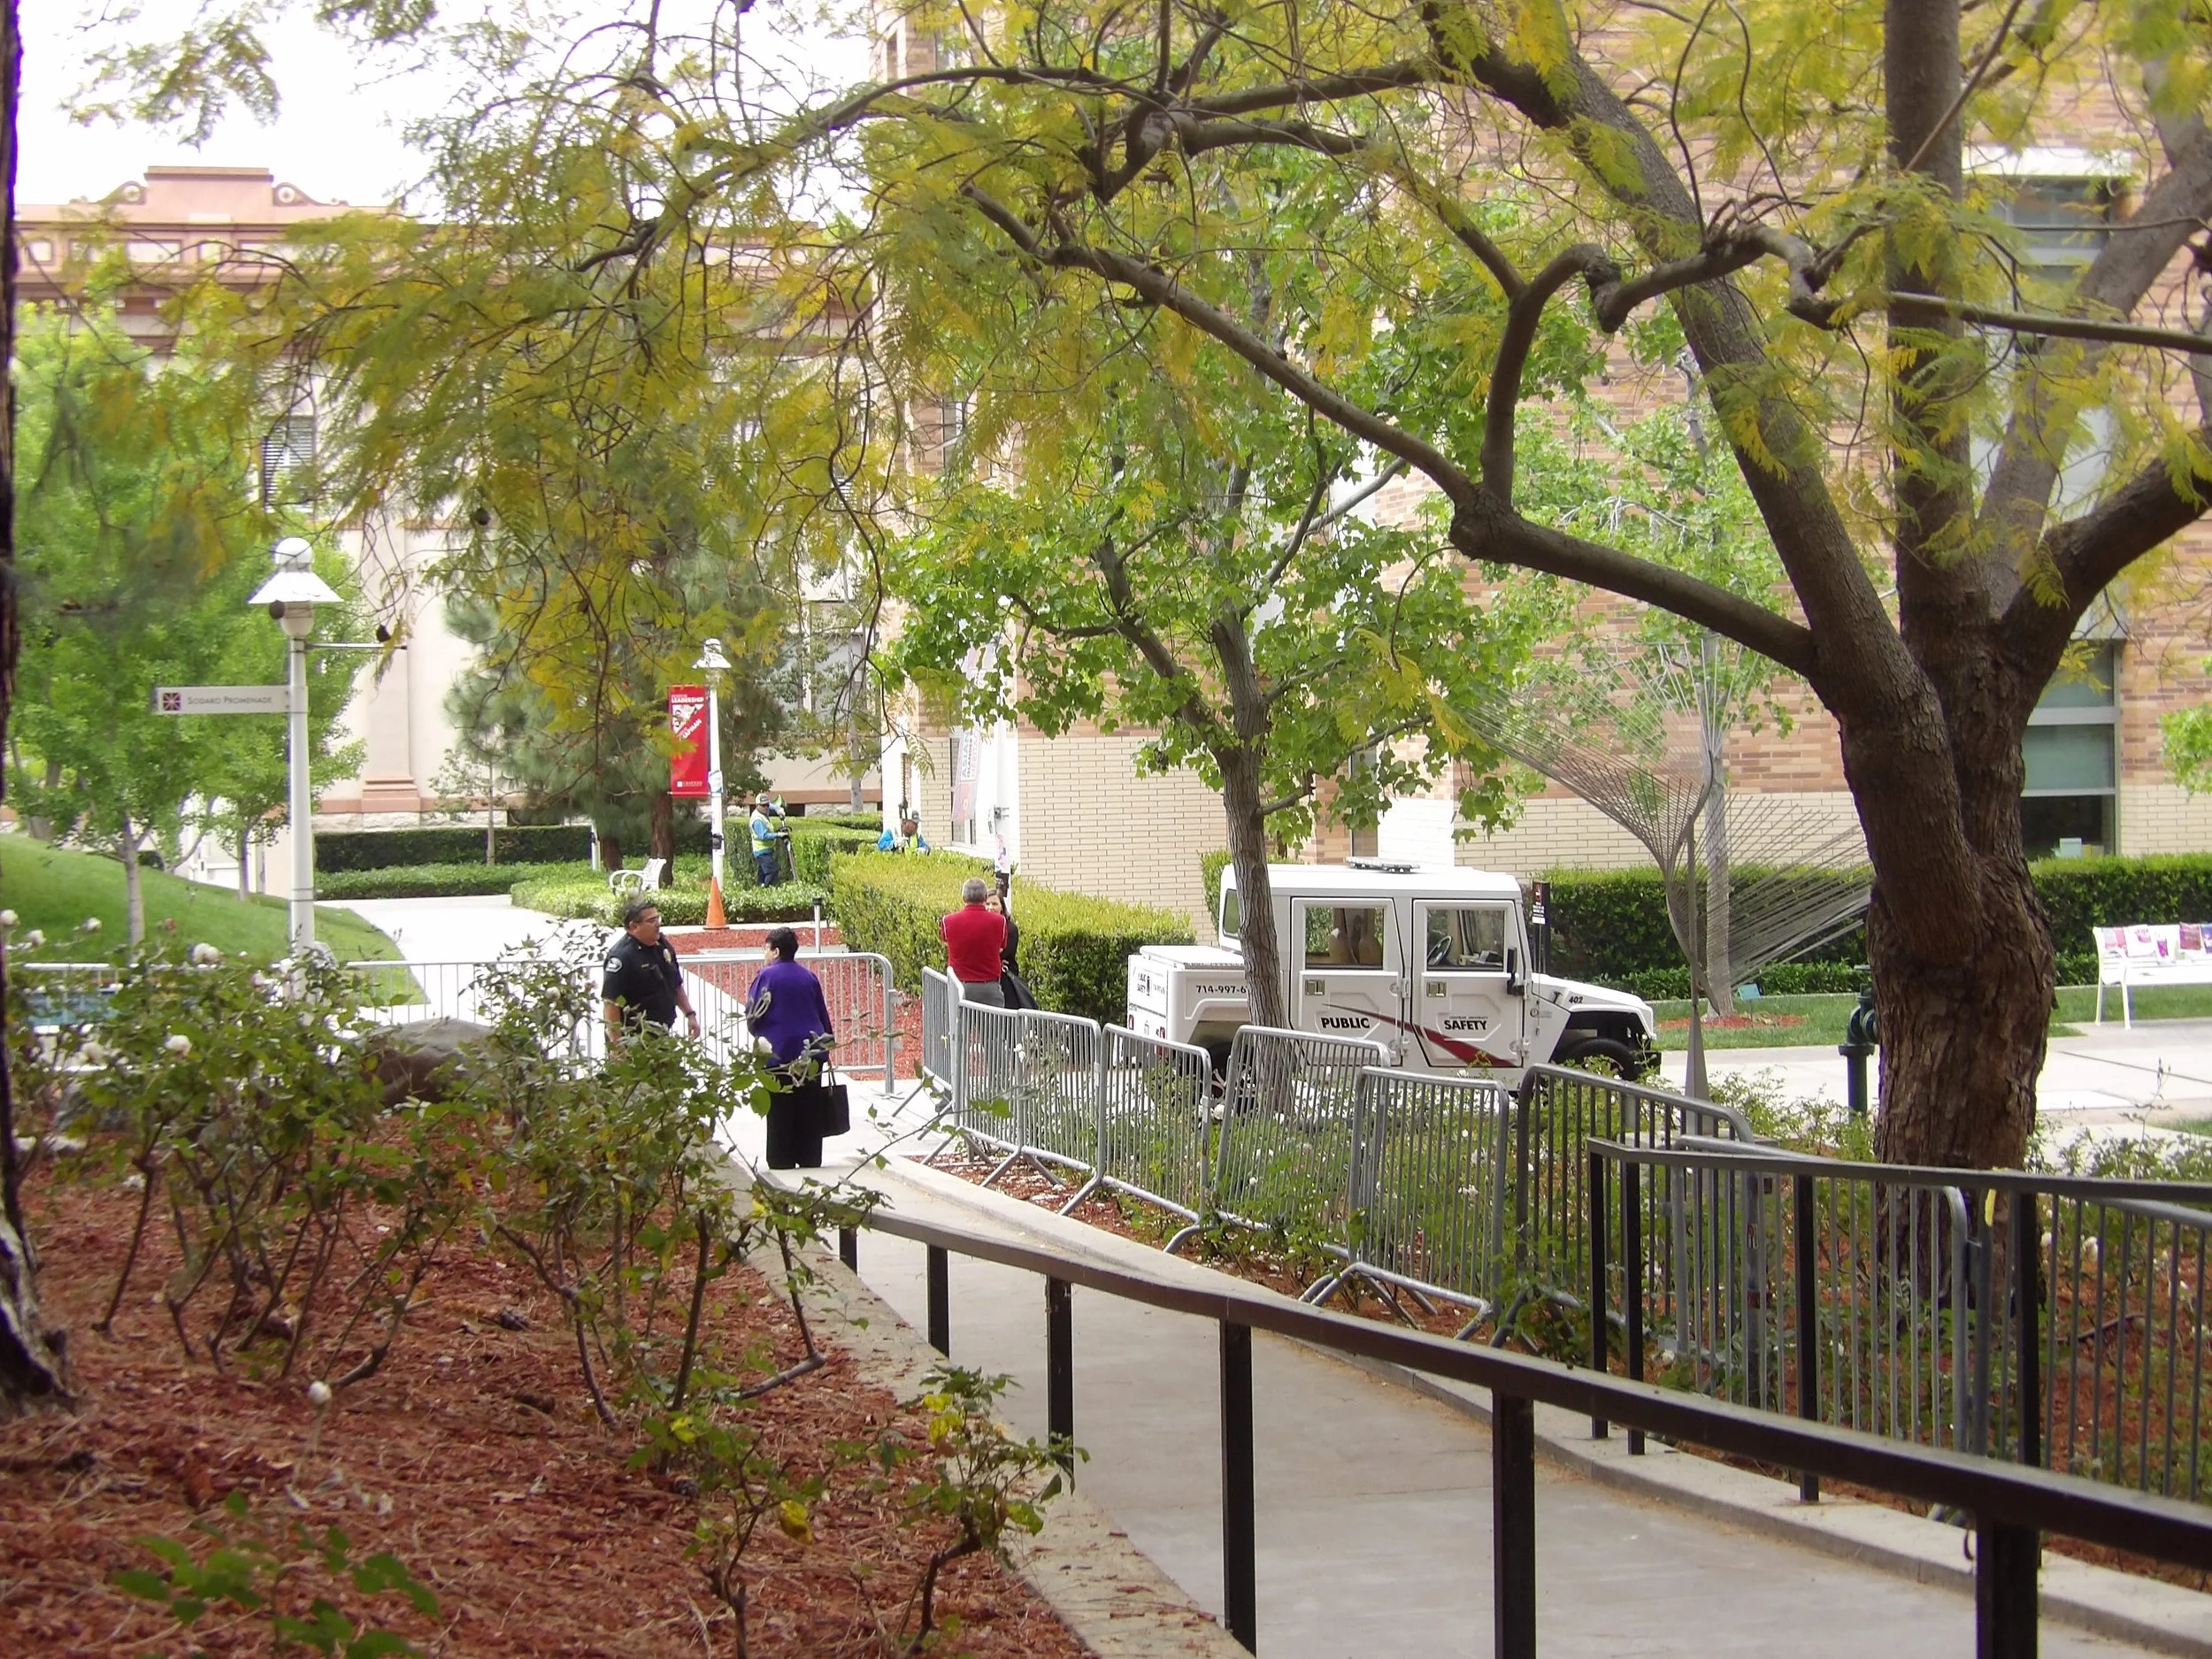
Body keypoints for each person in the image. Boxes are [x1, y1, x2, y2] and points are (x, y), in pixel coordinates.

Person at [744, 925, 837, 1170]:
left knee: (781, 1109)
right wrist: (826, 1045)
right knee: (809, 1107)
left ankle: (781, 1157)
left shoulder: (766, 977)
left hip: (779, 1051)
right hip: (811, 1050)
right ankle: (808, 1156)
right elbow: (821, 1014)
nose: (764, 954)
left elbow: (754, 1014)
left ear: (774, 951)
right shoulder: (809, 977)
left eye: (765, 949)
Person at [601, 897, 702, 1045]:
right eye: (652, 920)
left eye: (658, 918)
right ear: (634, 926)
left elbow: (675, 983)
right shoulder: (622, 957)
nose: (658, 924)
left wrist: (690, 1014)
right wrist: (617, 1047)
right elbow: (611, 1004)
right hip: (633, 1040)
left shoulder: (662, 945)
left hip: (661, 1034)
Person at [941, 875, 1009, 1006]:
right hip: (990, 988)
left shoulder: (948, 921)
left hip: (958, 987)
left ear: (963, 897)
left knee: (960, 1026)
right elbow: (1001, 948)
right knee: (993, 1026)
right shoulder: (1000, 922)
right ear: (985, 897)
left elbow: (947, 943)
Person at [987, 888, 1035, 1010]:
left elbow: (1005, 951)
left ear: (1002, 907)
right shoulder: (982, 926)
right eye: (987, 904)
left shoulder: (1010, 928)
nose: (990, 907)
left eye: (994, 904)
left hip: (1006, 979)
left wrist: (993, 958)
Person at [749, 793, 788, 887]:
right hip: (761, 852)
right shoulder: (757, 820)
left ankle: (760, 887)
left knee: (762, 874)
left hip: (766, 850)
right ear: (757, 805)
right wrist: (778, 835)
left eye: (767, 805)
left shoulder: (762, 811)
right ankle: (768, 889)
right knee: (772, 870)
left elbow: (770, 805)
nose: (766, 808)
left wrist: (777, 808)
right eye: (763, 805)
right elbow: (764, 836)